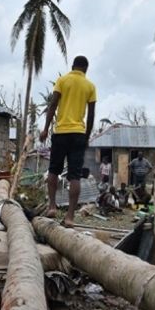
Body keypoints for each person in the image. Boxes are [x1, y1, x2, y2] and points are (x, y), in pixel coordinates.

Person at [39, 55, 96, 228]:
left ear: (72, 66)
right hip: (78, 134)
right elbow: (92, 115)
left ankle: (52, 206)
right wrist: (86, 137)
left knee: (53, 171)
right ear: (85, 69)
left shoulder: (62, 80)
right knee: (75, 176)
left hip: (61, 132)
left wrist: (46, 128)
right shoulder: (90, 86)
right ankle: (70, 216)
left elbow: (53, 105)